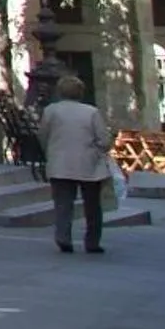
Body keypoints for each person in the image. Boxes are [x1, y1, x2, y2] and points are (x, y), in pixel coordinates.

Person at [37, 74, 115, 254]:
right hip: (89, 163)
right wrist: (99, 149)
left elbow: (43, 135)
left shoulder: (51, 111)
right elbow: (104, 140)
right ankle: (92, 241)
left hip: (60, 162)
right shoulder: (91, 112)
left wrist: (50, 151)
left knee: (63, 203)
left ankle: (63, 237)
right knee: (92, 205)